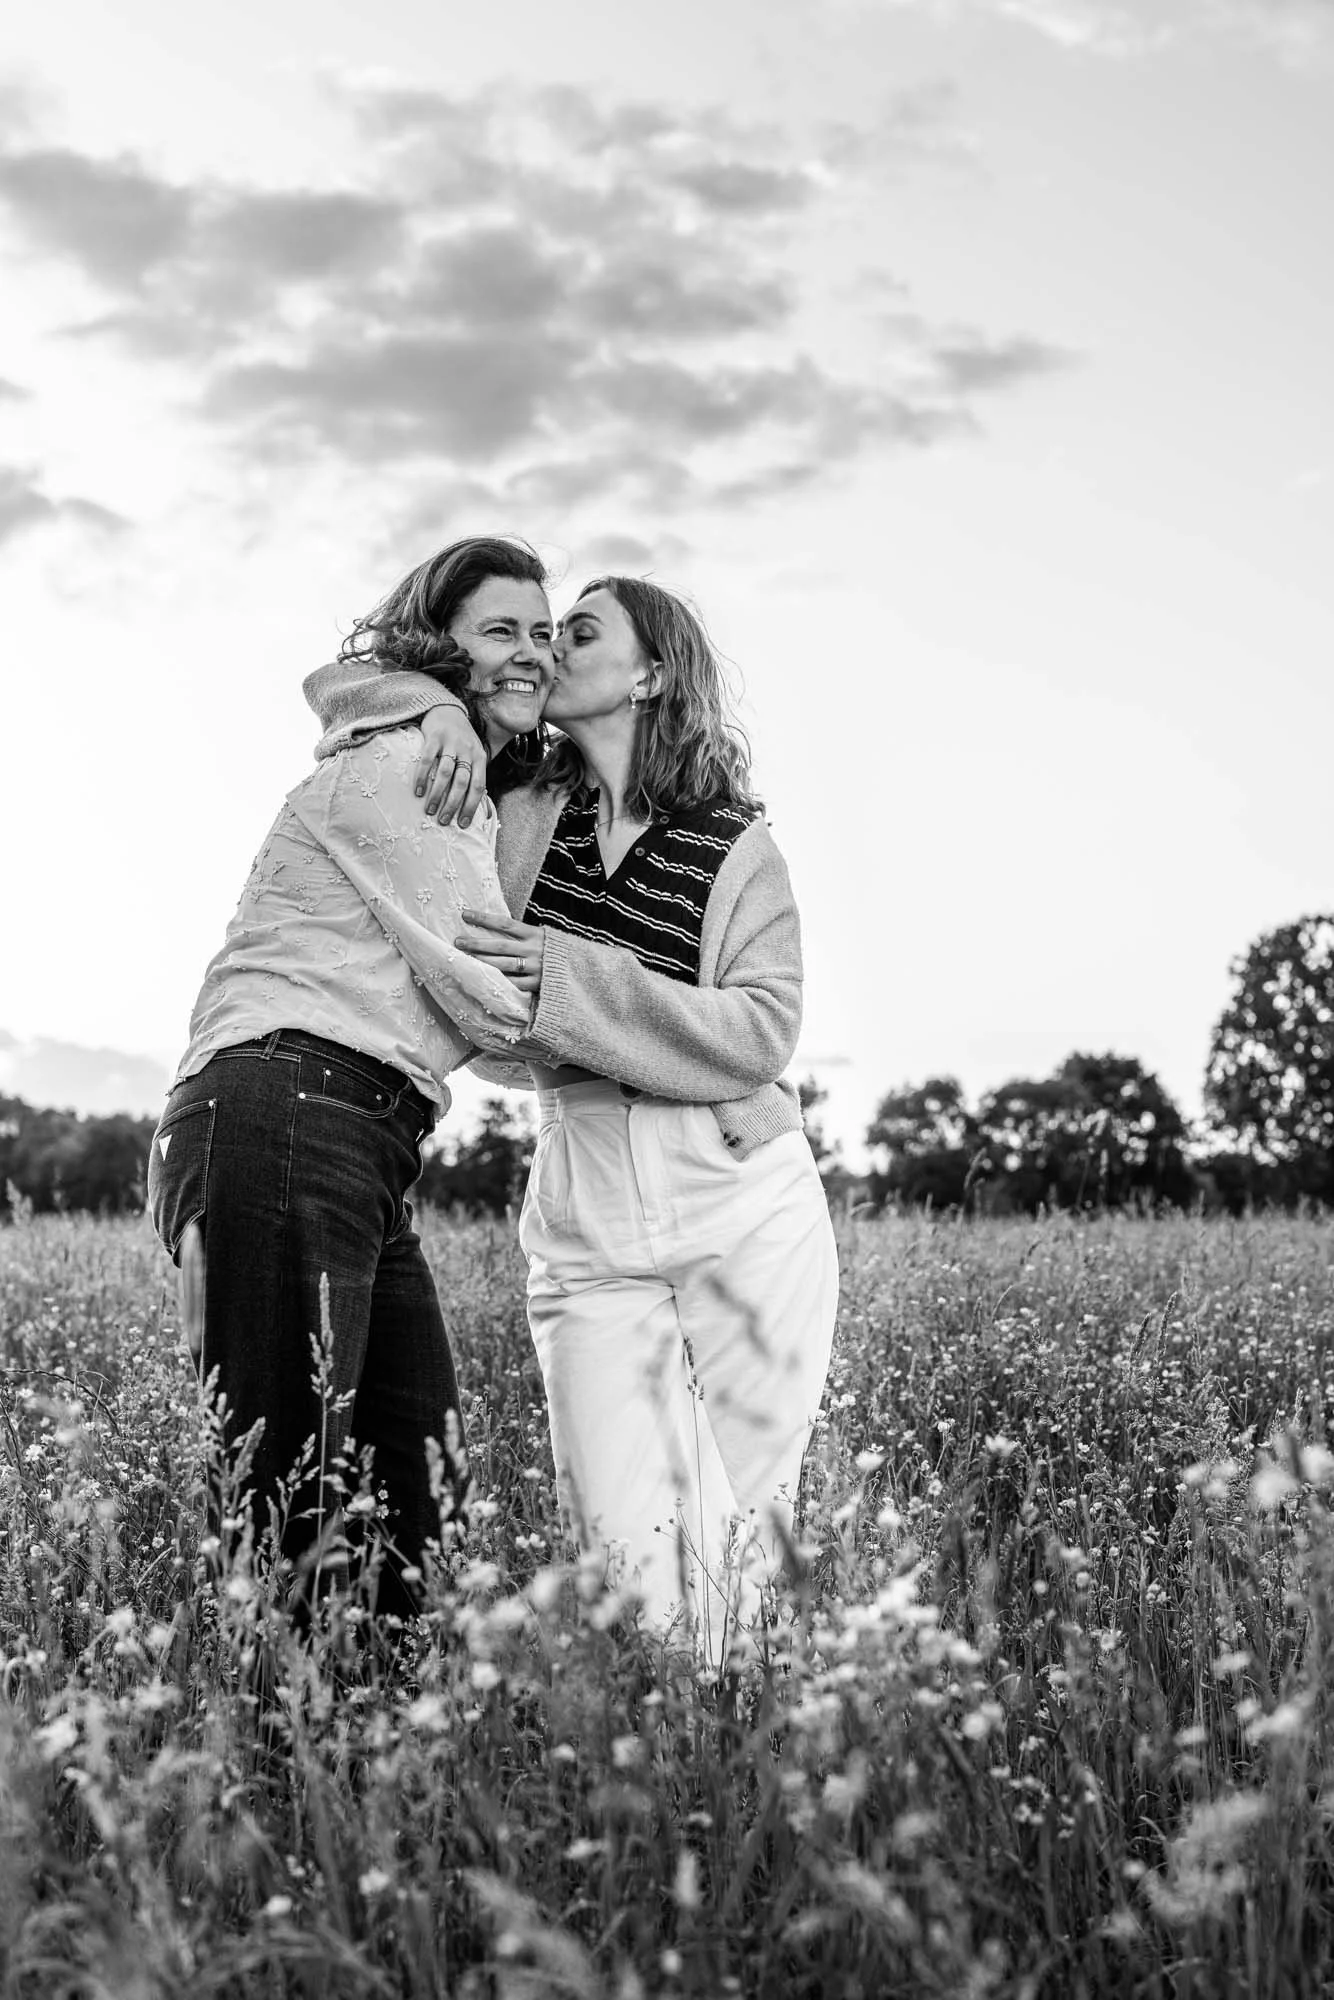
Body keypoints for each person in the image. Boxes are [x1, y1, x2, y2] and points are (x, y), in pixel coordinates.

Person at [308, 576, 838, 1657]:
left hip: (740, 1186)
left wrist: (567, 978)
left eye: (577, 633)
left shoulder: (732, 840)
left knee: (748, 1520)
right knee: (624, 1545)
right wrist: (447, 706)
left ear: (647, 673)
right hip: (584, 1186)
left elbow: (759, 1030)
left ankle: (739, 1761)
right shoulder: (514, 809)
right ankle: (682, 1719)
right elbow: (491, 1022)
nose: (547, 654)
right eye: (540, 635)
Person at [148, 535, 554, 1618]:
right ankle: (270, 1777)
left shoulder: (445, 753)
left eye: (545, 631)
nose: (532, 652)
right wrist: (694, 1051)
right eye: (501, 630)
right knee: (285, 1508)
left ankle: (376, 1770)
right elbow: (489, 995)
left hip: (353, 1129)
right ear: (443, 650)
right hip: (285, 1104)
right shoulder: (407, 767)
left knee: (409, 1491)